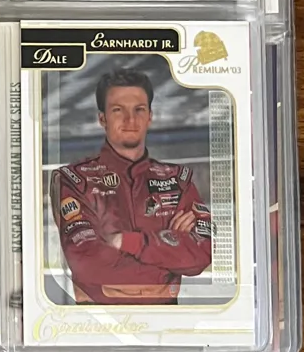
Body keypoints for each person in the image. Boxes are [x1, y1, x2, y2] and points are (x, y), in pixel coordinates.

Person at [50, 68, 212, 305]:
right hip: (96, 321)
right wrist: (168, 247)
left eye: (139, 109)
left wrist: (126, 242)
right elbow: (87, 264)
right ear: (102, 119)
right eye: (118, 110)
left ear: (150, 116)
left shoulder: (178, 179)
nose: (130, 120)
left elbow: (202, 255)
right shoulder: (74, 179)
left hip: (168, 322)